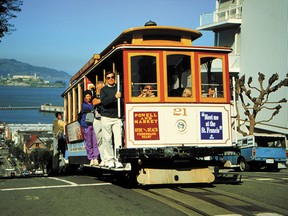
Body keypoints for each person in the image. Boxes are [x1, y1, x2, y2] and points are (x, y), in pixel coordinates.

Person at [100, 71, 123, 168]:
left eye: (112, 77)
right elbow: (104, 102)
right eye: (108, 78)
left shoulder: (119, 88)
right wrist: (114, 97)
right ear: (106, 79)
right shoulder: (103, 90)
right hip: (106, 117)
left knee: (118, 139)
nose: (111, 79)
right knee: (107, 139)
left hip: (117, 117)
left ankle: (118, 159)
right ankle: (109, 159)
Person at [80, 90, 100, 166]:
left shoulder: (92, 103)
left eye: (89, 96)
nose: (88, 97)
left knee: (95, 142)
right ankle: (91, 158)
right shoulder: (84, 105)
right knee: (89, 143)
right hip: (86, 125)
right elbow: (91, 107)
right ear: (84, 97)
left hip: (93, 124)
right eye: (87, 96)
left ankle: (96, 158)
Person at [92, 81, 105, 166]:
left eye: (101, 87)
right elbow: (94, 102)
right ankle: (103, 158)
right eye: (98, 87)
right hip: (97, 119)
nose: (99, 89)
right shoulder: (94, 95)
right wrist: (104, 100)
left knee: (107, 139)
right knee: (99, 140)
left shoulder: (106, 94)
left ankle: (107, 158)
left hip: (105, 118)